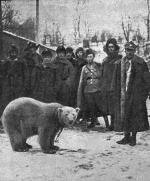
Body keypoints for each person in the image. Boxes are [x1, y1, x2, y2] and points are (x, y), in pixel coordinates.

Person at [112, 41, 149, 146]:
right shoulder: (120, 63)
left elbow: (147, 80)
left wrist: (143, 95)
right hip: (123, 93)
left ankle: (133, 137)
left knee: (134, 115)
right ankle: (126, 136)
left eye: (132, 50)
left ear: (135, 51)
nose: (129, 52)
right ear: (125, 50)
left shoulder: (141, 63)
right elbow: (116, 80)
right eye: (128, 50)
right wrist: (115, 92)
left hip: (136, 94)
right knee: (124, 115)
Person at [77, 48, 109, 129]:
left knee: (101, 107)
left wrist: (102, 88)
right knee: (91, 107)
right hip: (88, 90)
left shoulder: (98, 66)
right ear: (85, 58)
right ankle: (93, 122)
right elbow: (82, 80)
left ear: (93, 57)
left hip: (97, 89)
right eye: (87, 57)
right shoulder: (84, 68)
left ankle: (107, 123)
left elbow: (103, 77)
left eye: (91, 56)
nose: (89, 58)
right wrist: (81, 91)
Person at [101, 38, 122, 131]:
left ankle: (117, 124)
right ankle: (111, 124)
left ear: (115, 47)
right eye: (109, 47)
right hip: (106, 86)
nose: (111, 49)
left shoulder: (120, 59)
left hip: (117, 86)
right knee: (109, 106)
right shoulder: (105, 60)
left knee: (116, 106)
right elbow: (102, 74)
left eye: (112, 47)